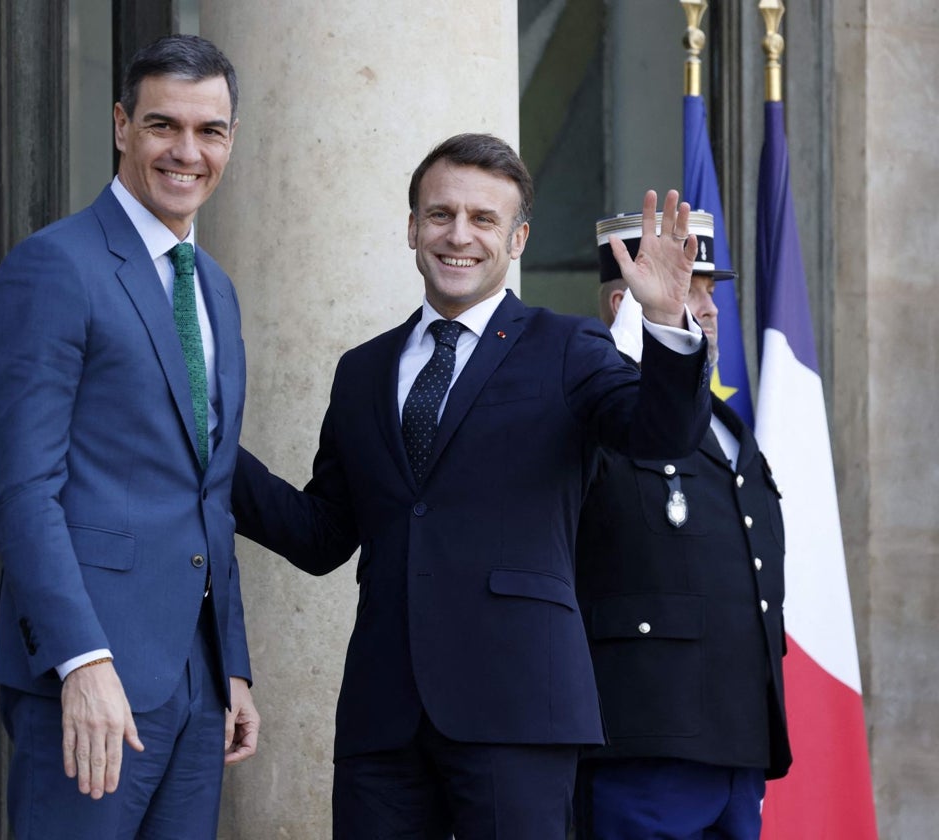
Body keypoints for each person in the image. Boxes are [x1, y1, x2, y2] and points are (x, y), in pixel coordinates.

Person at [231, 133, 711, 838]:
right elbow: (322, 534)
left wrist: (669, 325)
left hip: (518, 709)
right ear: (412, 228)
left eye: (484, 219)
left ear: (516, 239)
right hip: (383, 718)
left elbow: (661, 436)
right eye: (440, 214)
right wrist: (208, 452)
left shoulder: (568, 347)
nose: (459, 235)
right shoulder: (362, 370)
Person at [0, 34, 259, 839]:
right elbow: (24, 492)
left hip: (197, 687)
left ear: (230, 139)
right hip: (91, 679)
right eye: (163, 125)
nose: (187, 151)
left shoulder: (214, 287)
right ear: (120, 125)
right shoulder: (54, 267)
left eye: (210, 131)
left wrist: (228, 661)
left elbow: (209, 490)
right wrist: (80, 660)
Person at [572, 210, 791, 839]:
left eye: (711, 291)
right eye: (690, 286)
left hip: (739, 740)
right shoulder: (594, 406)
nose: (710, 307)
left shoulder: (727, 426)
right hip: (642, 737)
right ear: (626, 297)